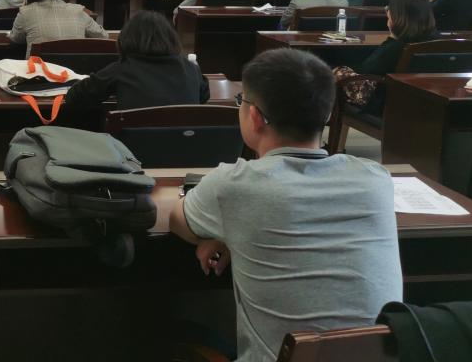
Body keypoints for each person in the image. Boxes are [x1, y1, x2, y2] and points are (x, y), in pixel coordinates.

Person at [169, 48, 402, 362]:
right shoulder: (375, 179)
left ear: (255, 117)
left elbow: (177, 219)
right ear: (327, 115)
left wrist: (221, 232)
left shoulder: (234, 185)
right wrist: (232, 231)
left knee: (178, 329)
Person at [64, 11, 209, 110]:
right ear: (171, 38)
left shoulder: (121, 70)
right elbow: (204, 96)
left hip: (131, 147)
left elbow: (74, 97)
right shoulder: (191, 68)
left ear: (127, 39)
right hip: (186, 145)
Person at [332, 0, 439, 118]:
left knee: (335, 73)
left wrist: (392, 35)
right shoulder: (437, 44)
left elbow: (366, 70)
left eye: (389, 9)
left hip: (383, 104)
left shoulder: (396, 47)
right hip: (424, 103)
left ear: (396, 16)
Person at [8, 0, 108, 55]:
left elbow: (15, 38)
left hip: (39, 69)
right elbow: (103, 36)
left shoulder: (26, 13)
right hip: (73, 69)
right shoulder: (77, 11)